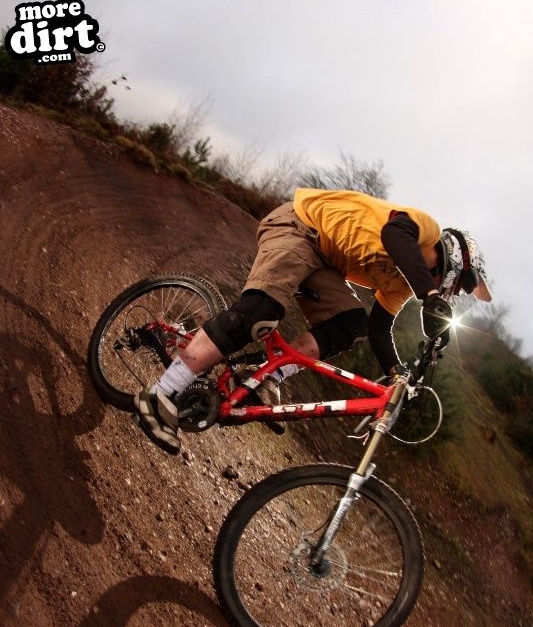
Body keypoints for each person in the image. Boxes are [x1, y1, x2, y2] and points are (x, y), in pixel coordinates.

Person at [134, 188, 492, 453]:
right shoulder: (424, 230)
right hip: (299, 227)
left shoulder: (400, 284)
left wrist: (400, 375)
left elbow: (381, 328)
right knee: (260, 313)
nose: (454, 293)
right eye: (460, 286)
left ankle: (261, 376)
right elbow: (393, 235)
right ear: (454, 263)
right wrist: (429, 296)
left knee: (351, 324)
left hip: (324, 264)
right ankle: (161, 393)